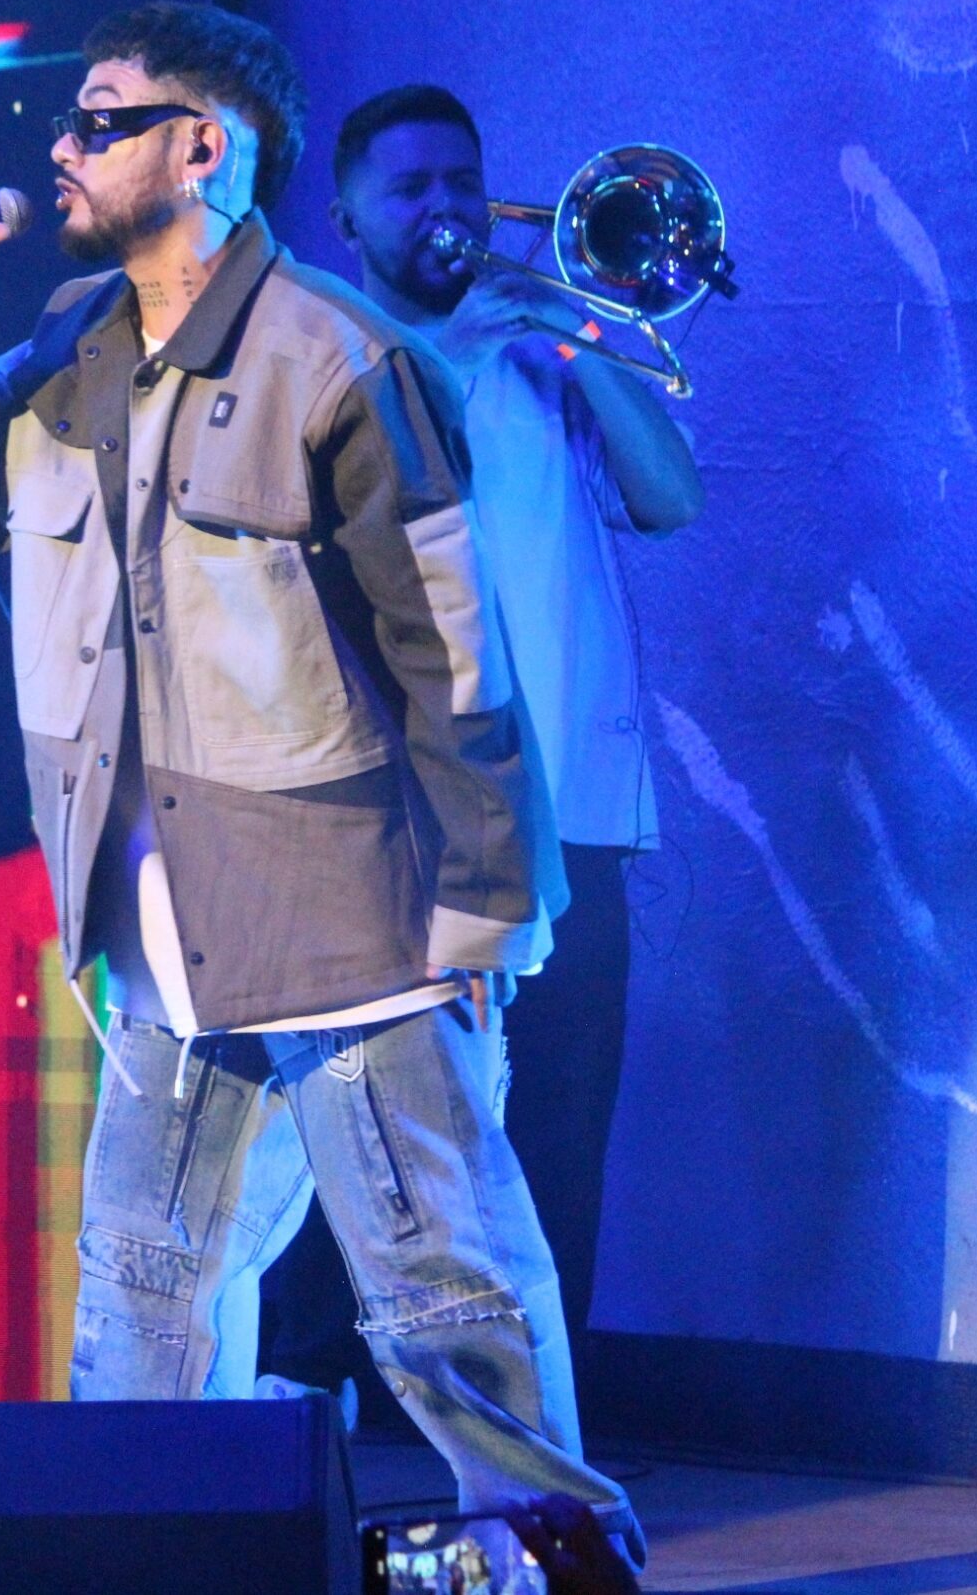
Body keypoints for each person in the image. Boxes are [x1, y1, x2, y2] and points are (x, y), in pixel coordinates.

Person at [0, 3, 639, 1554]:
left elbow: (453, 655)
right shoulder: (77, 341)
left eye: (100, 121)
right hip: (162, 941)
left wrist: (490, 908)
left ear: (200, 148)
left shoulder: (336, 358)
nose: (61, 147)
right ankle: (155, 1564)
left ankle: (563, 1564)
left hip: (348, 928)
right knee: (146, 1295)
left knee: (445, 1294)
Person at [259, 84, 703, 1404]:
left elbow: (671, 500)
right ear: (347, 220)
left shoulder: (543, 353)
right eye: (410, 189)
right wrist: (454, 352)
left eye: (462, 180)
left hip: (570, 808)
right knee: (360, 1122)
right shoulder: (321, 352)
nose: (445, 208)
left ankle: (533, 1413)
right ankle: (311, 1400)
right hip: (393, 814)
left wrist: (585, 334)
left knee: (559, 1126)